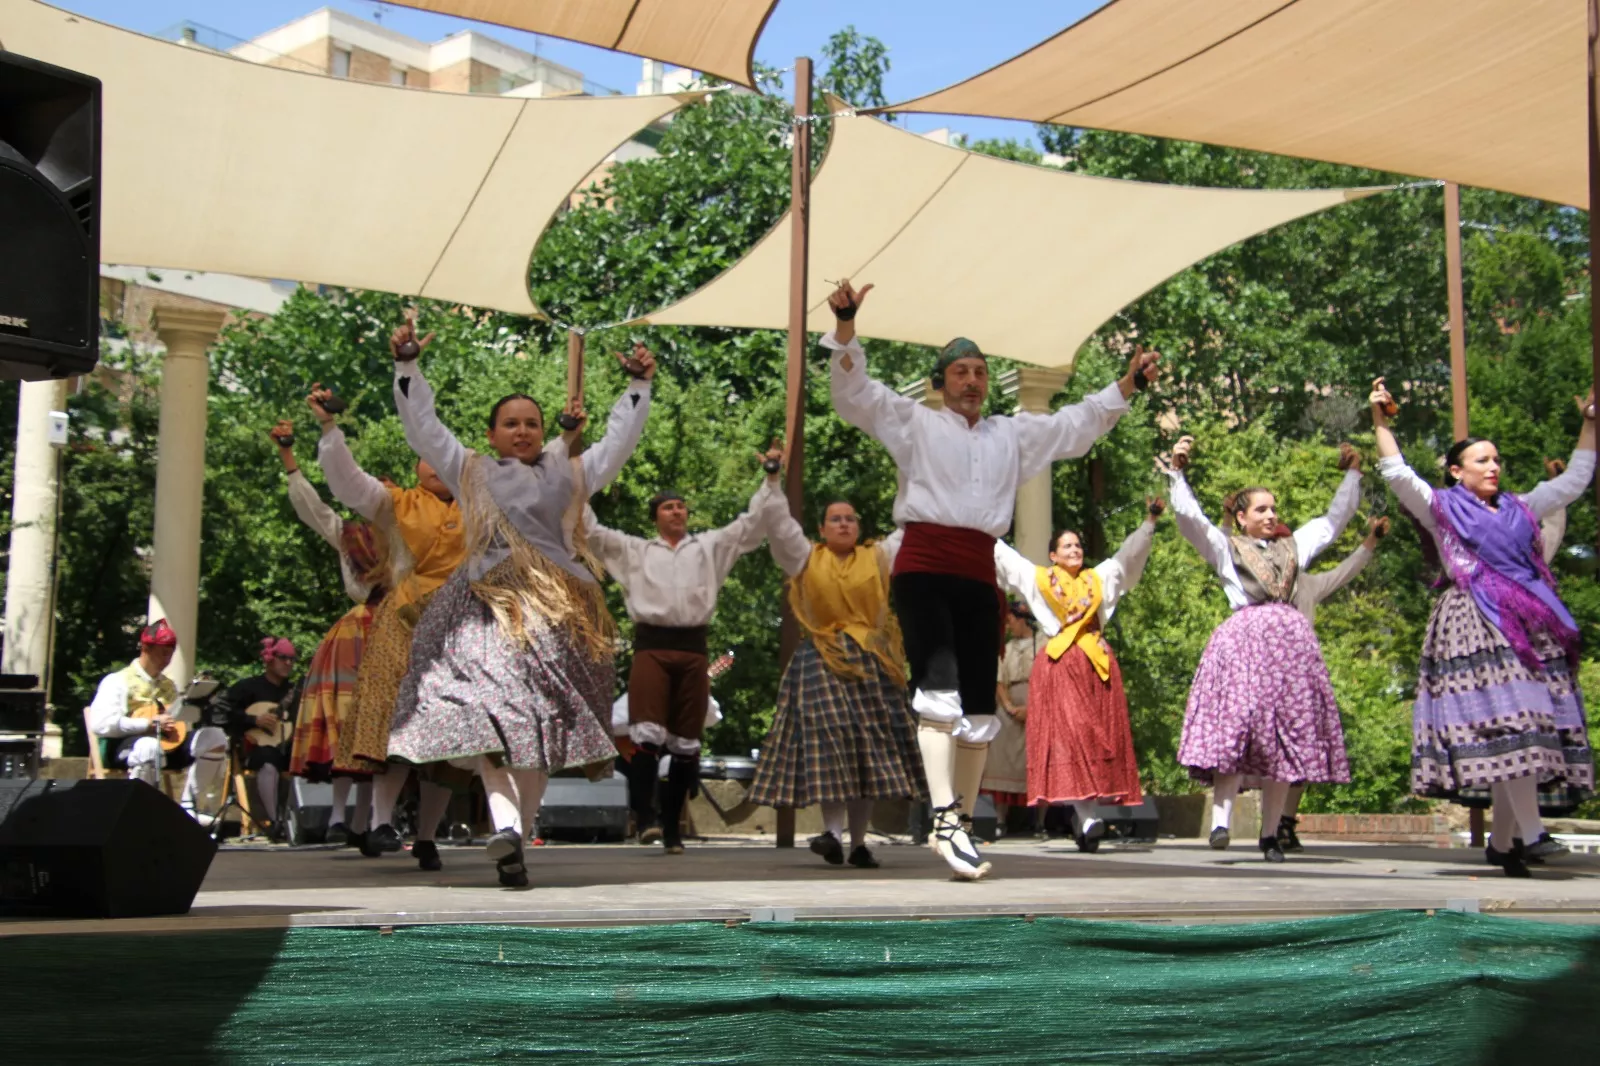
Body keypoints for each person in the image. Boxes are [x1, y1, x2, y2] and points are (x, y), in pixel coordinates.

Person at [824, 278, 1159, 879]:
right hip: (925, 568)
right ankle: (945, 818)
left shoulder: (1012, 434)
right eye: (960, 372)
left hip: (980, 574)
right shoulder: (915, 424)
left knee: (980, 706)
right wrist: (847, 325)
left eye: (980, 371)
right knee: (940, 692)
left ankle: (964, 822)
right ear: (940, 382)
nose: (973, 381)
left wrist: (1128, 384)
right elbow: (854, 394)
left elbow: (1078, 424)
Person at [388, 316, 654, 886]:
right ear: (492, 434)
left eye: (532, 422)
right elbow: (423, 427)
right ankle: (507, 828)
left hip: (553, 614)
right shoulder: (470, 470)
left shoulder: (571, 471)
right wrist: (407, 365)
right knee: (487, 716)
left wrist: (637, 390)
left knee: (534, 732)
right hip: (484, 608)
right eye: (511, 423)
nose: (523, 430)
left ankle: (514, 839)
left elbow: (618, 443)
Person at [1372, 378, 1595, 877]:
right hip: (1474, 621)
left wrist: (1589, 423)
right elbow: (1396, 471)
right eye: (1481, 460)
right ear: (1456, 471)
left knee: (1522, 731)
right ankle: (1533, 835)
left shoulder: (1522, 507)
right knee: (1512, 723)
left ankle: (1503, 840)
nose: (1493, 467)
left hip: (1531, 622)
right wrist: (1380, 422)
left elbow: (1576, 480)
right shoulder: (1440, 508)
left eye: (1496, 460)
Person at [1161, 435, 1362, 862]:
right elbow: (1191, 520)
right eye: (1261, 509)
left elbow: (1333, 521)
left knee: (1284, 738)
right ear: (1241, 515)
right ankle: (1221, 821)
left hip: (1289, 651)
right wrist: (1177, 473)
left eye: (1273, 509)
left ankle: (1270, 835)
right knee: (1237, 725)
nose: (1271, 515)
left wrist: (1352, 475)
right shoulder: (1225, 547)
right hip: (1244, 645)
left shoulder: (1294, 547)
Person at [584, 446, 779, 854]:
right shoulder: (635, 551)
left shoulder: (708, 547)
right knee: (647, 736)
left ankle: (672, 830)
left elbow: (751, 525)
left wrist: (771, 478)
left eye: (681, 507)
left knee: (686, 743)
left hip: (693, 649)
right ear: (655, 516)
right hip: (651, 647)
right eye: (668, 507)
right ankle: (647, 819)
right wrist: (576, 480)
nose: (676, 512)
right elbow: (589, 531)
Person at [313, 385, 465, 870]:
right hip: (401, 625)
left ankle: (425, 836)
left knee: (448, 742)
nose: (435, 465)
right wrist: (329, 429)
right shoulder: (395, 503)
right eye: (426, 457)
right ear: (416, 466)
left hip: (461, 630)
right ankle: (381, 822)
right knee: (390, 725)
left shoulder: (483, 508)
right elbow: (348, 483)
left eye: (444, 456)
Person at [750, 492, 927, 870]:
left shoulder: (878, 556)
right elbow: (779, 524)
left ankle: (859, 844)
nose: (844, 524)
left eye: (850, 518)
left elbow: (911, 517)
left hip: (871, 659)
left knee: (866, 751)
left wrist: (917, 458)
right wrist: (772, 478)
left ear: (859, 526)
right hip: (822, 655)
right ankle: (832, 832)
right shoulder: (806, 555)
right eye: (835, 519)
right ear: (822, 528)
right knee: (831, 740)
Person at [993, 501, 1161, 853]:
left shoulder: (1096, 579)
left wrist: (1149, 522)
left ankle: (1084, 818)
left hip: (1095, 662)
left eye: (1078, 545)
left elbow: (1127, 557)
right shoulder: (1038, 578)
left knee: (1097, 737)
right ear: (1053, 555)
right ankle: (1085, 817)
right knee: (1074, 735)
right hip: (1059, 666)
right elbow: (1005, 558)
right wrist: (979, 525)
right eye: (1067, 545)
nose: (1075, 549)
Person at [275, 420, 382, 846]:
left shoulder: (414, 536)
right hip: (358, 633)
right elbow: (312, 508)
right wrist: (289, 457)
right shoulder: (350, 535)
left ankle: (366, 823)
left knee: (379, 731)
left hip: (397, 626)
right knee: (347, 724)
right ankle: (343, 817)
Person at [1274, 515, 1390, 852]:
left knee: (1303, 750)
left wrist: (1370, 542)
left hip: (1301, 675)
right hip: (1264, 673)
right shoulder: (1254, 583)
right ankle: (1265, 822)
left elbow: (1345, 572)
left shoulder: (1307, 585)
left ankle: (1284, 821)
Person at [88, 619, 228, 822]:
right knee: (148, 746)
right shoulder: (117, 681)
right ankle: (138, 813)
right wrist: (148, 724)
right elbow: (101, 724)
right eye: (163, 652)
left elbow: (179, 721)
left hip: (167, 745)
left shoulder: (168, 685)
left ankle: (190, 807)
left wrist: (196, 705)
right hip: (125, 745)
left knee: (215, 737)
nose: (168, 659)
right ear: (145, 648)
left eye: (171, 652)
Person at [214, 637, 299, 836]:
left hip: (291, 748)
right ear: (269, 658)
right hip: (258, 751)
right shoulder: (247, 687)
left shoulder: (295, 692)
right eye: (283, 658)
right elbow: (219, 713)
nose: (288, 663)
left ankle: (308, 821)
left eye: (292, 659)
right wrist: (253, 721)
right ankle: (275, 822)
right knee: (268, 760)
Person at [983, 602, 1042, 836]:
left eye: (1011, 621)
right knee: (999, 743)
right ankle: (999, 819)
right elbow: (998, 679)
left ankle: (1040, 820)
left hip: (1037, 703)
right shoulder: (1005, 648)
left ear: (1022, 620)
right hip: (1010, 703)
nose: (1008, 626)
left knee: (1040, 753)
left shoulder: (1045, 644)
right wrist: (1008, 705)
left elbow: (1050, 679)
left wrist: (1033, 707)